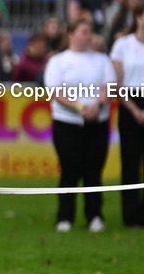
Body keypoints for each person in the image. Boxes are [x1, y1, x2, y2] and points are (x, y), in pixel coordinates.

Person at [43, 19, 117, 233]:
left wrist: (97, 105)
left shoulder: (102, 60)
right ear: (71, 34)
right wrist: (81, 107)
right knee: (69, 170)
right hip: (67, 123)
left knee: (93, 170)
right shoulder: (58, 61)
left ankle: (94, 215)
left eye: (90, 31)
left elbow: (110, 86)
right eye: (84, 31)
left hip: (98, 122)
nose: (88, 35)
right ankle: (65, 216)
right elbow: (55, 90)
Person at [109, 5, 144, 227]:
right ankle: (130, 215)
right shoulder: (122, 45)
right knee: (130, 162)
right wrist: (134, 109)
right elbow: (116, 82)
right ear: (138, 17)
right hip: (130, 103)